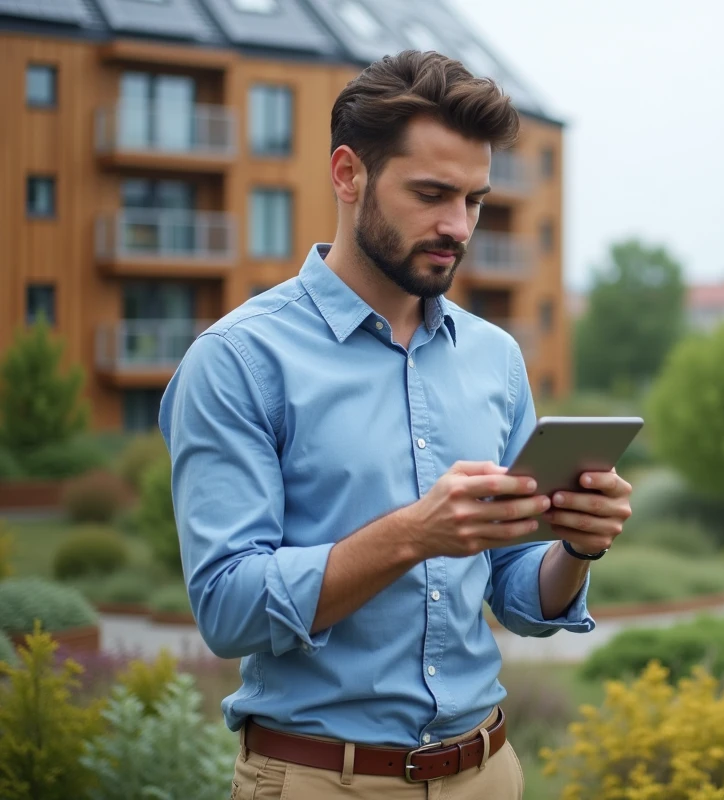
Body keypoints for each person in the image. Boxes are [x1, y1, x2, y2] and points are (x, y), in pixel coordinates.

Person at [158, 49, 633, 799]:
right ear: (349, 175)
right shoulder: (239, 360)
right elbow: (228, 607)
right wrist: (414, 533)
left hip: (489, 772)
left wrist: (576, 545)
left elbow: (515, 589)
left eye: (474, 199)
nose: (458, 226)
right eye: (432, 193)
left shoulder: (495, 358)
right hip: (321, 781)